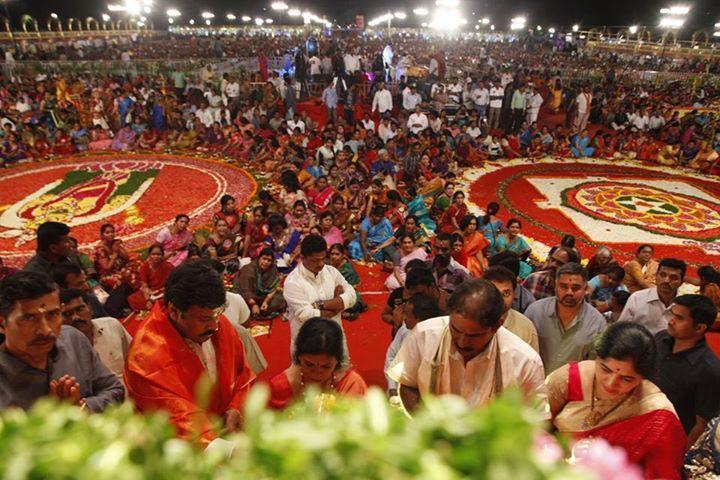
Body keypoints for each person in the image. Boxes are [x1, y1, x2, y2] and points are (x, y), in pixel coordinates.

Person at [124, 261, 255, 446]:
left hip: (226, 434)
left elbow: (243, 374)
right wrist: (226, 450)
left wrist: (236, 409)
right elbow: (177, 418)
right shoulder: (146, 354)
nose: (214, 325)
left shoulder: (218, 323)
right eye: (205, 319)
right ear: (174, 311)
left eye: (218, 315)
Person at [546, 322, 686, 480]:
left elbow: (663, 474)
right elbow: (533, 429)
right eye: (605, 369)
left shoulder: (658, 414)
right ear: (597, 356)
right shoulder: (568, 379)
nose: (611, 383)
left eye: (627, 379)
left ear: (642, 378)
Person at [387, 279, 546, 412]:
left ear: (498, 325)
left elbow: (536, 420)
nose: (462, 342)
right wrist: (426, 423)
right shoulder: (424, 335)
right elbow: (407, 383)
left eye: (473, 335)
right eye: (455, 330)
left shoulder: (526, 361)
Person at [0, 271, 124, 412]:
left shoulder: (73, 339)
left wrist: (82, 409)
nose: (46, 330)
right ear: (2, 324)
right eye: (29, 318)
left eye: (53, 314)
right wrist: (53, 417)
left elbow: (115, 390)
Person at [654, 294, 720, 447]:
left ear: (699, 328)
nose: (671, 321)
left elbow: (701, 424)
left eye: (679, 318)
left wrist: (681, 457)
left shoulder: (710, 370)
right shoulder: (661, 339)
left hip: (670, 441)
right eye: (672, 314)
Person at [524, 263, 607, 374]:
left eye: (576, 288)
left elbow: (593, 366)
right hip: (532, 382)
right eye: (563, 286)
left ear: (585, 288)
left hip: (569, 388)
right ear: (555, 286)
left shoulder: (597, 323)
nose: (569, 292)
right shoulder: (535, 312)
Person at [268, 317, 367, 410]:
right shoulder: (281, 386)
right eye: (309, 364)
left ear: (337, 362)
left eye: (326, 366)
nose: (317, 372)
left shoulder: (351, 384)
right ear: (299, 357)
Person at [283, 235, 357, 357]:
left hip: (336, 338)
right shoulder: (293, 282)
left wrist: (320, 305)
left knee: (341, 373)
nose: (321, 264)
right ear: (302, 258)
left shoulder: (331, 271)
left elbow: (352, 296)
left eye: (323, 259)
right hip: (308, 344)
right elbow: (307, 315)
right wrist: (338, 305)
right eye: (315, 260)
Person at [59, 288, 131, 383]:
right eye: (67, 314)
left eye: (79, 309)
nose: (75, 317)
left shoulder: (112, 325)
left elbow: (135, 360)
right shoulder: (59, 349)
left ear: (90, 309)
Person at [385, 294, 441, 395]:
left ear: (419, 319)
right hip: (404, 387)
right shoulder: (404, 330)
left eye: (407, 315)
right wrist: (392, 387)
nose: (404, 318)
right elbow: (392, 355)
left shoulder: (440, 337)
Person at [618, 258, 686, 334]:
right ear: (656, 276)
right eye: (662, 275)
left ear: (681, 282)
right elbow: (621, 330)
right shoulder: (637, 298)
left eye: (673, 277)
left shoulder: (685, 306)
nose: (666, 281)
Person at [483, 266, 540, 352]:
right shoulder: (468, 318)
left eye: (506, 293)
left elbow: (531, 364)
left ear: (514, 295)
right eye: (494, 292)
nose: (500, 299)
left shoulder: (526, 328)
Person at [233, 247, 285, 320]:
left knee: (280, 298)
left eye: (269, 260)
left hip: (261, 296)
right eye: (264, 259)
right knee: (238, 301)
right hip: (245, 294)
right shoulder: (249, 269)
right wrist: (253, 304)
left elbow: (273, 287)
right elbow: (245, 289)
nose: (266, 262)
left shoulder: (273, 269)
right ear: (259, 258)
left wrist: (266, 301)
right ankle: (254, 310)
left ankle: (259, 309)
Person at [127, 243, 175, 311]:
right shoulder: (144, 267)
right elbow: (144, 285)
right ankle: (155, 306)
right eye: (153, 254)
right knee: (132, 298)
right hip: (151, 291)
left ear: (162, 255)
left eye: (158, 254)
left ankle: (156, 306)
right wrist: (148, 300)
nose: (156, 256)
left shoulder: (169, 266)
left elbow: (173, 283)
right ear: (149, 255)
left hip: (164, 291)